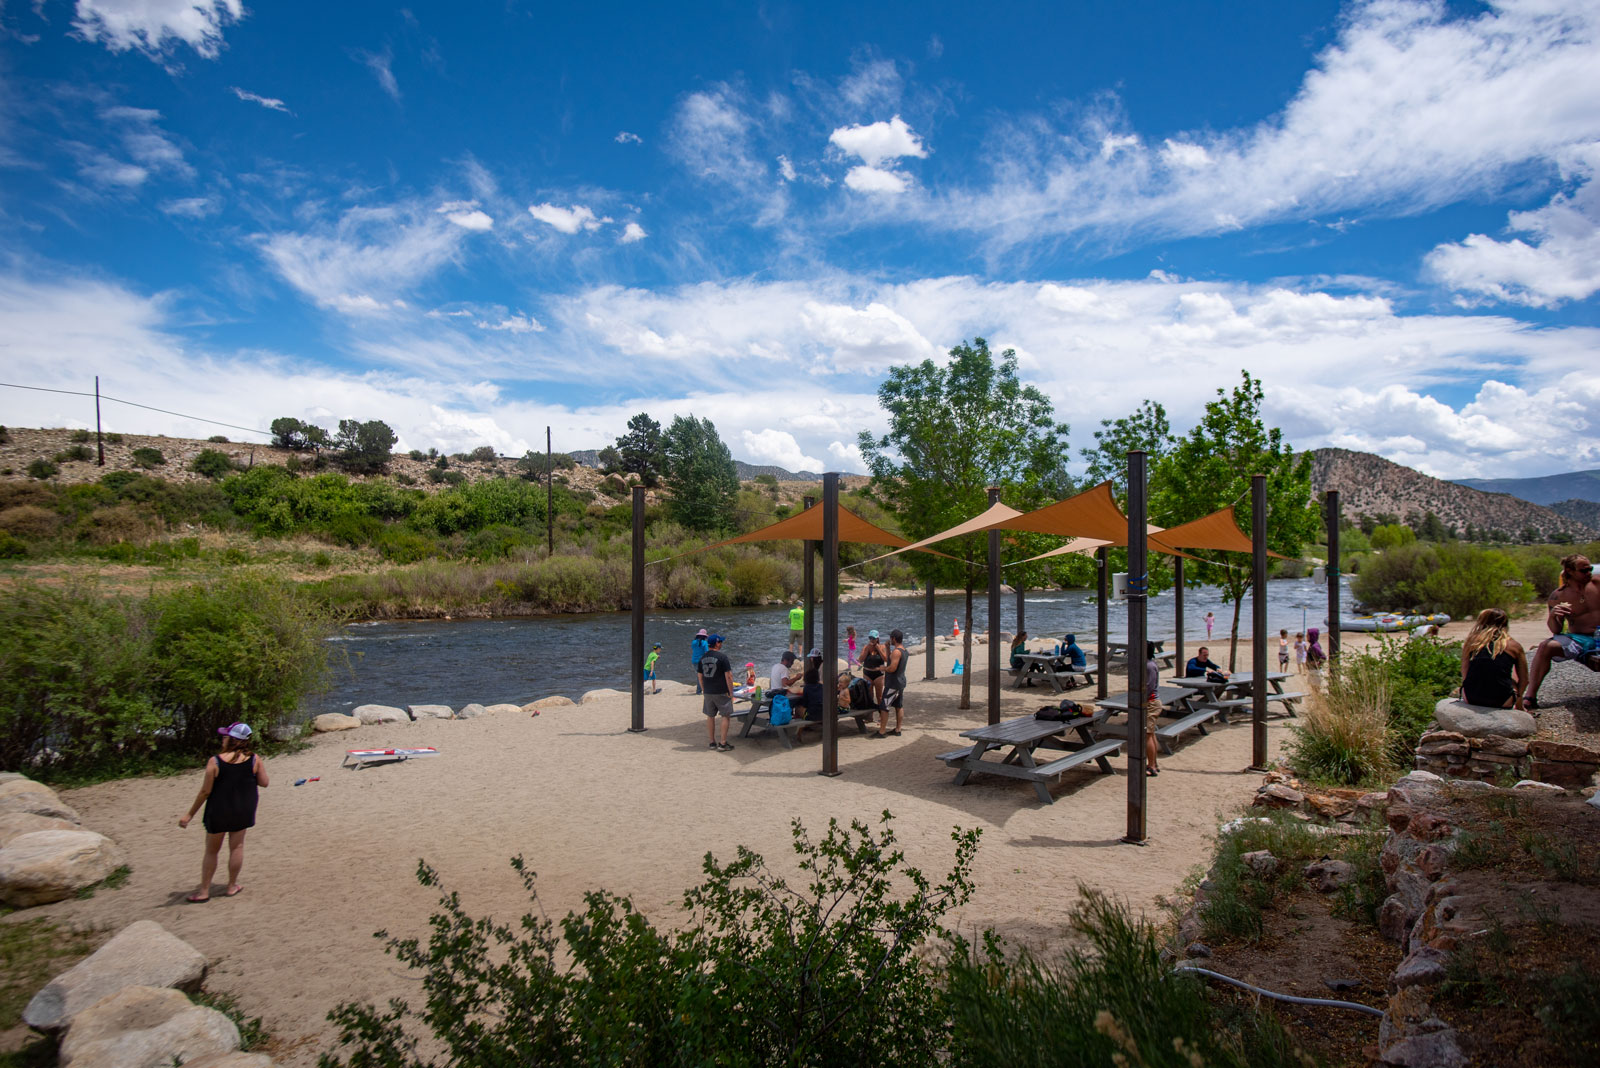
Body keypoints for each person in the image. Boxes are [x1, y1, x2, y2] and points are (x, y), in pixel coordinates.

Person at [178, 722, 268, 902]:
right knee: (237, 847)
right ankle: (231, 886)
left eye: (225, 736)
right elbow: (264, 782)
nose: (222, 739)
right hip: (243, 809)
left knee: (212, 851)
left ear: (232, 740)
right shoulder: (254, 759)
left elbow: (205, 791)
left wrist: (189, 814)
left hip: (219, 809)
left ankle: (204, 891)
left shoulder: (215, 761)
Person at [1524, 553, 1600, 710]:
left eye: (1590, 569)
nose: (1589, 573)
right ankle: (1530, 696)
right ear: (1570, 571)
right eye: (1584, 570)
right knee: (1546, 646)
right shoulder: (1558, 596)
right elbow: (1556, 630)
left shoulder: (1597, 584)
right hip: (1580, 638)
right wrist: (1554, 616)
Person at [1460, 608, 1528, 710]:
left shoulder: (1472, 642)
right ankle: (1519, 706)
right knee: (1513, 674)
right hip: (1502, 700)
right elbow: (1525, 680)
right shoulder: (1514, 646)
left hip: (1471, 697)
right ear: (1505, 623)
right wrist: (1519, 698)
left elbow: (1465, 672)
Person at [699, 634, 736, 751]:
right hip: (721, 691)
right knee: (725, 715)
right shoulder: (722, 657)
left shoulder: (703, 658)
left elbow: (700, 675)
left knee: (710, 716)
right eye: (720, 642)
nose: (722, 644)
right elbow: (728, 676)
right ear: (717, 644)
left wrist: (703, 689)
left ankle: (712, 742)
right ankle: (723, 743)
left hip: (708, 691)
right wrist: (731, 692)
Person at [875, 629, 908, 737]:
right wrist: (888, 648)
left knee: (884, 706)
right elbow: (891, 661)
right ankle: (898, 729)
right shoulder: (903, 650)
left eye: (891, 638)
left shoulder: (897, 652)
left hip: (893, 683)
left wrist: (883, 668)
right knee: (898, 705)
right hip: (900, 681)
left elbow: (892, 668)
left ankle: (882, 731)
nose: (890, 640)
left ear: (894, 638)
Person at [1142, 641, 1162, 777]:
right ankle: (1154, 762)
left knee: (1148, 734)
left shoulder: (1149, 666)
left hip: (1151, 703)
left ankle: (1152, 766)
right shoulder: (1150, 664)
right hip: (1152, 701)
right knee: (1151, 733)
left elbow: (1148, 687)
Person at [860, 630, 887, 708]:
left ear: (877, 638)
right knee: (869, 697)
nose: (872, 640)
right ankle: (870, 717)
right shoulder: (866, 647)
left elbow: (886, 659)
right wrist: (867, 650)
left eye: (873, 638)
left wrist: (878, 649)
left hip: (878, 674)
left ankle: (881, 716)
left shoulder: (882, 647)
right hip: (867, 673)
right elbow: (860, 660)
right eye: (870, 638)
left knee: (879, 697)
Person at [691, 629, 709, 695]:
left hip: (694, 660)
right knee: (703, 676)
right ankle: (700, 691)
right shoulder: (704, 643)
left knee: (699, 675)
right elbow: (706, 652)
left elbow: (693, 649)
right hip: (701, 661)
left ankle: (699, 690)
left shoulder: (693, 642)